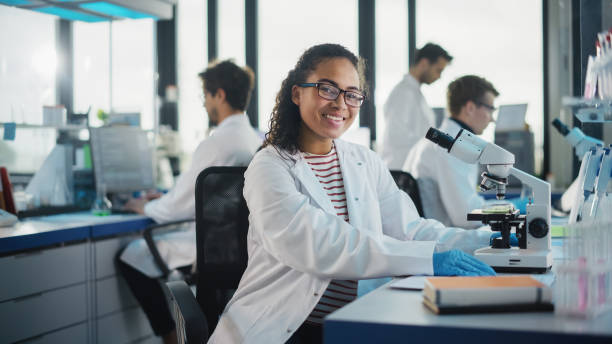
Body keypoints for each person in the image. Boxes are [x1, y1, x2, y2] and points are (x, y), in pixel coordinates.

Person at [208, 44, 496, 344]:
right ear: (297, 94)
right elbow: (320, 244)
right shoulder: (268, 166)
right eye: (327, 89)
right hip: (284, 329)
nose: (340, 104)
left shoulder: (364, 160)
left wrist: (486, 241)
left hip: (358, 320)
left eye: (351, 94)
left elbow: (411, 230)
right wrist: (428, 258)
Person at [117, 60, 262, 344]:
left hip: (208, 247)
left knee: (130, 256)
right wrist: (166, 198)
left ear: (219, 95)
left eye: (205, 96)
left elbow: (178, 207)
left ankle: (170, 339)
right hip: (237, 245)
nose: (204, 104)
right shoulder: (251, 137)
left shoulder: (216, 142)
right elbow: (199, 195)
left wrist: (143, 207)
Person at [403, 75, 526, 228]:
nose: (492, 119)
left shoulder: (429, 143)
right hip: (447, 239)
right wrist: (512, 207)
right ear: (470, 108)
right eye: (490, 109)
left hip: (437, 234)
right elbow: (466, 216)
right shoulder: (453, 148)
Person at [380, 43, 453, 169]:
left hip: (410, 168)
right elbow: (396, 134)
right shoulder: (403, 93)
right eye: (438, 70)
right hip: (400, 170)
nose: (439, 76)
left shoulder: (414, 93)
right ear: (424, 63)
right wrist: (435, 146)